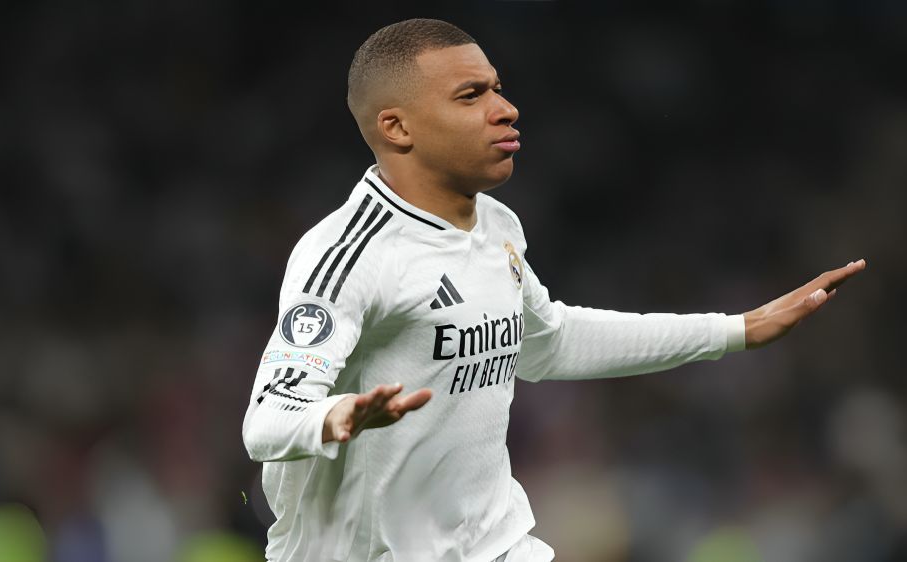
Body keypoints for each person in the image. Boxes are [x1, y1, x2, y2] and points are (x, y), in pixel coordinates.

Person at [241, 17, 867, 562]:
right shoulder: (349, 256)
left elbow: (549, 342)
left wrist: (736, 330)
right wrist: (334, 414)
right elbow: (267, 420)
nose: (505, 108)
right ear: (397, 127)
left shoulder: (497, 225)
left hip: (496, 545)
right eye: (470, 95)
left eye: (497, 87)